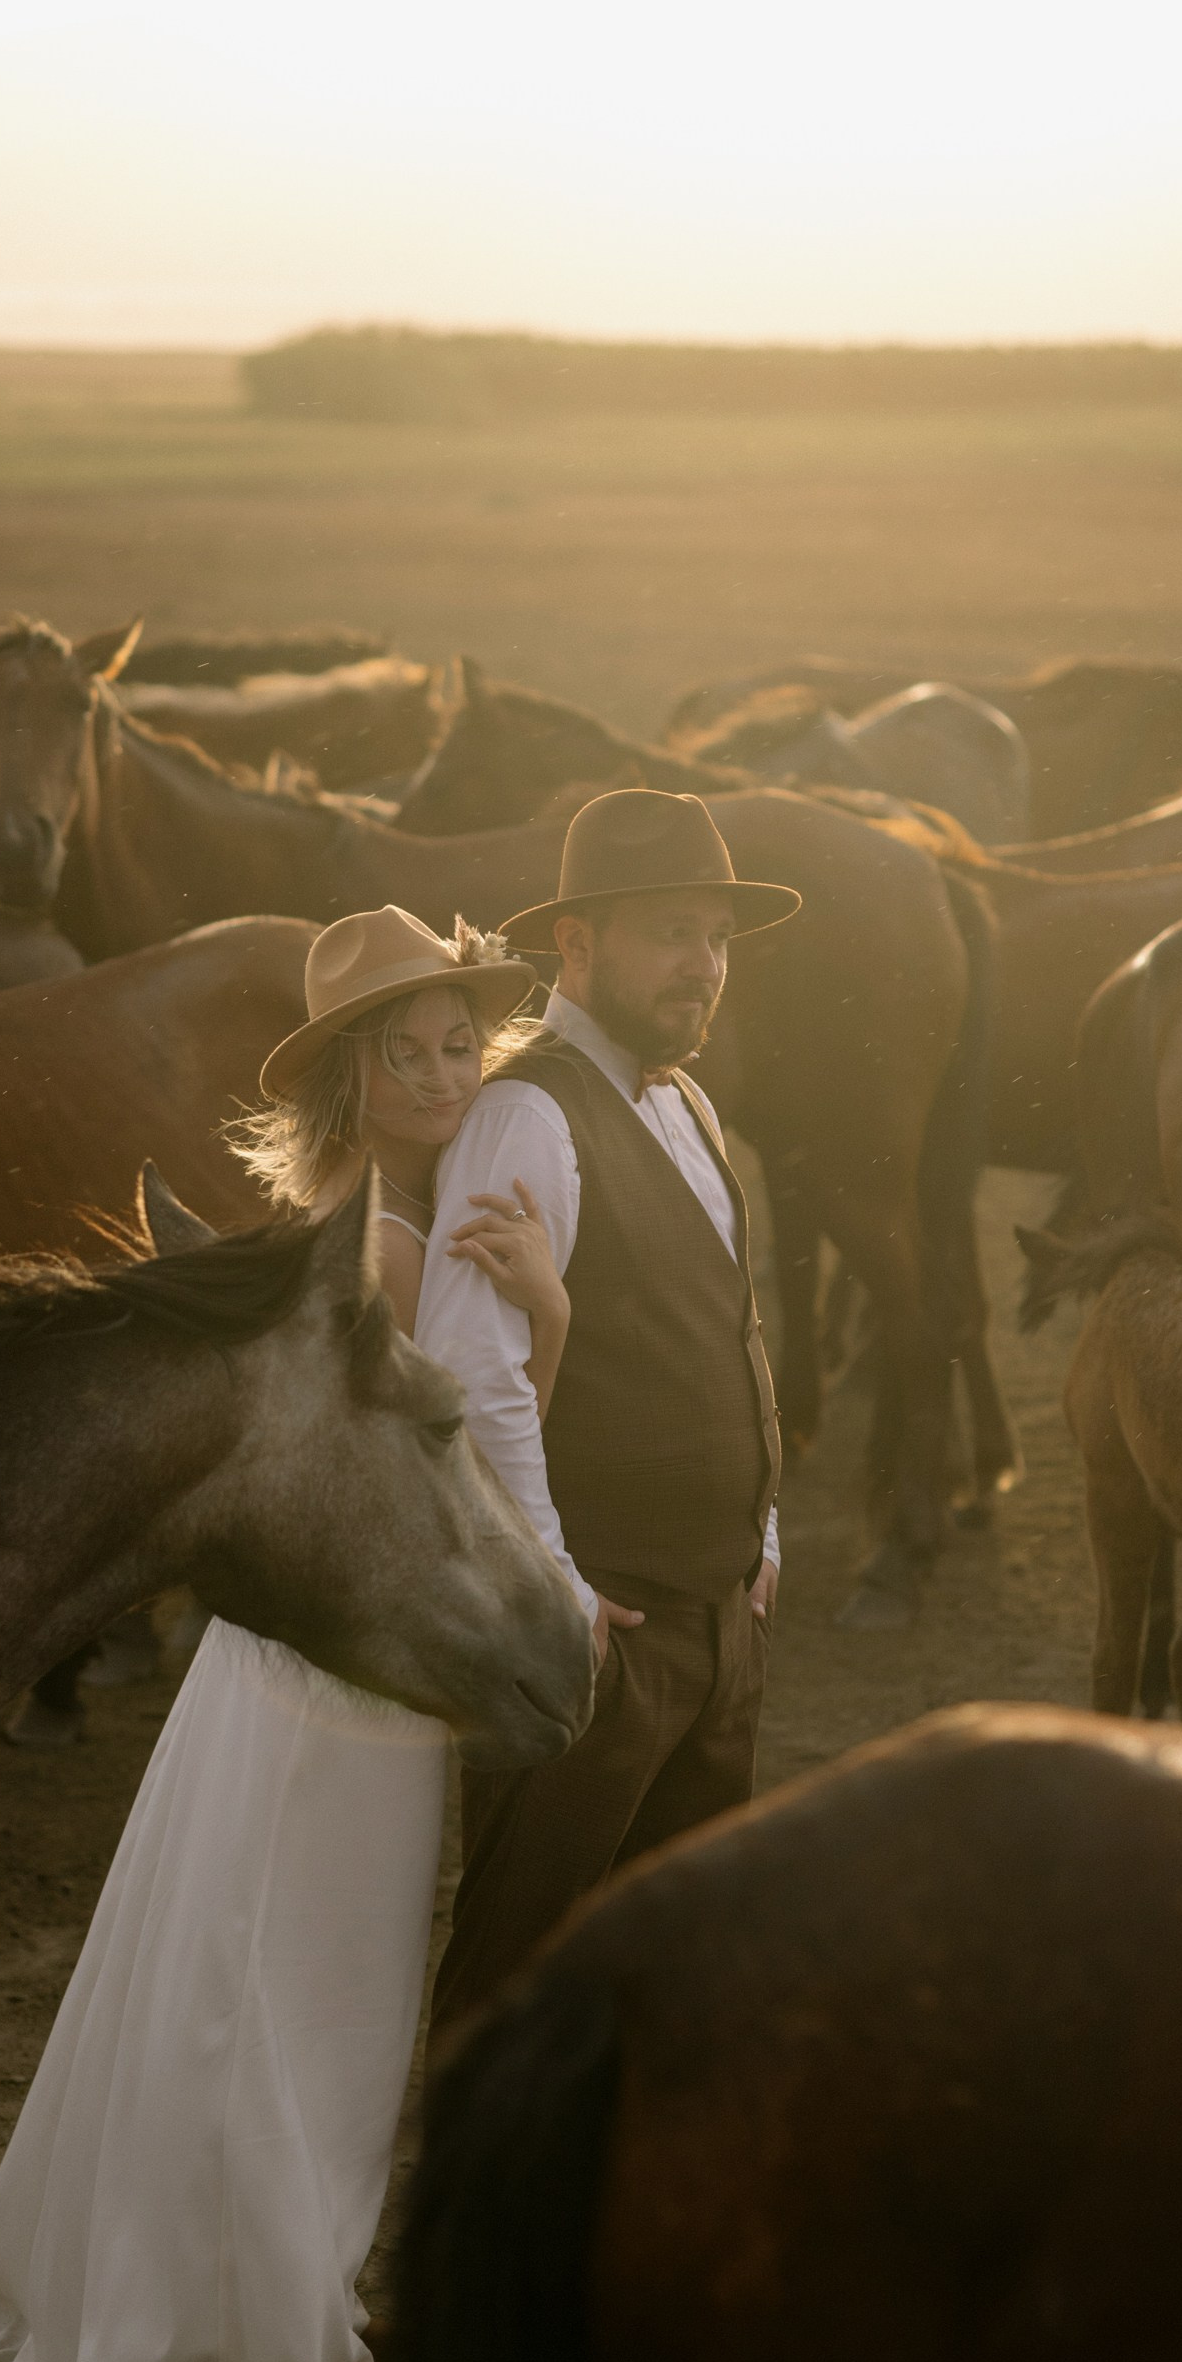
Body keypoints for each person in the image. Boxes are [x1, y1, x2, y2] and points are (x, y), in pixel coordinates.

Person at [0, 906, 557, 2362]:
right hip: (344, 1674)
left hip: (294, 1668)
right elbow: (455, 1459)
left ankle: (226, 2320)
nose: (439, 1071)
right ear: (346, 1082)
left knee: (257, 1980)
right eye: (402, 1051)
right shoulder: (388, 1246)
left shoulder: (353, 1226)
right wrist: (549, 1320)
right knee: (300, 2000)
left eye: (454, 1043)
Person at [422, 789, 798, 2035]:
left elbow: (720, 1336)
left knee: (683, 1972)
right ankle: (468, 2225)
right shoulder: (524, 1114)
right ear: (575, 946)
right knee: (517, 1979)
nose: (705, 965)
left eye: (719, 936)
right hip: (599, 1635)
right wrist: (555, 1585)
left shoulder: (688, 1103)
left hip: (719, 1621)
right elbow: (472, 1379)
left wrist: (766, 1533)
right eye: (670, 932)